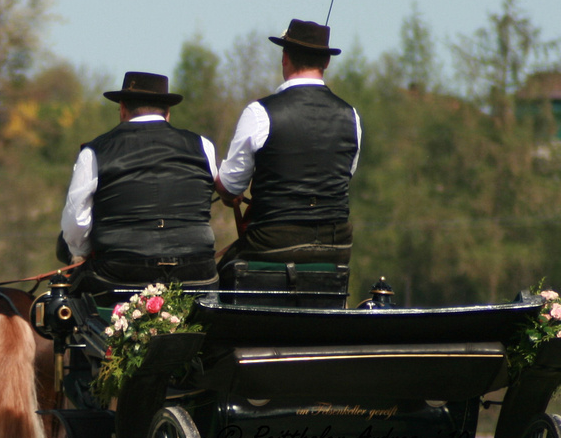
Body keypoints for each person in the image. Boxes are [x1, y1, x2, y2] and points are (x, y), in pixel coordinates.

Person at [57, 71, 221, 299]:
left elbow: (76, 220)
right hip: (195, 270)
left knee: (65, 302)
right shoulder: (203, 146)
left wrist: (80, 253)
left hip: (120, 273)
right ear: (168, 112)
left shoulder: (94, 151)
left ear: (122, 108)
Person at [216, 19, 361, 266]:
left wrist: (228, 192)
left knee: (219, 274)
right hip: (336, 246)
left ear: (285, 57)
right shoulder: (352, 116)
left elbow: (229, 186)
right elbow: (343, 175)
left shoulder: (260, 113)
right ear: (326, 62)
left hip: (273, 244)